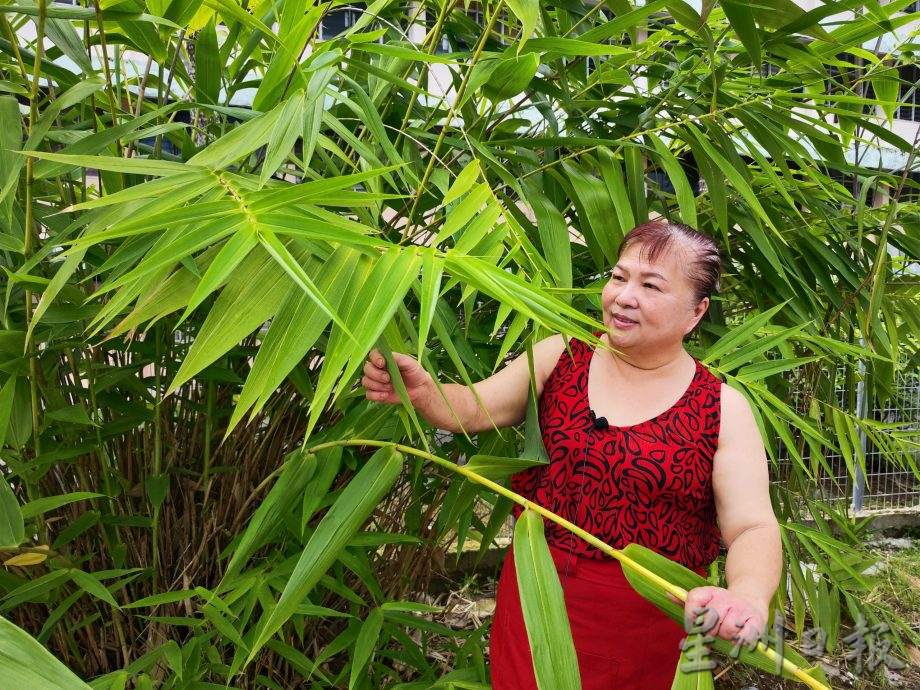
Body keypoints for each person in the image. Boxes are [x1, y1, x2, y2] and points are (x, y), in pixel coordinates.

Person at [362, 220, 781, 689]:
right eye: (619, 277)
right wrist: (423, 393)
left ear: (696, 311)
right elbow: (475, 408)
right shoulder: (561, 355)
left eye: (650, 285)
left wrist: (747, 595)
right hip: (537, 594)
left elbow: (751, 527)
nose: (624, 296)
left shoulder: (721, 407)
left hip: (645, 620)